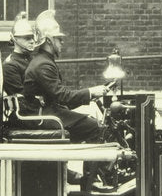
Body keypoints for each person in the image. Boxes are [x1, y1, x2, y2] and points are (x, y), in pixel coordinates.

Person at [22, 9, 112, 146]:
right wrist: (91, 92)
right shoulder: (43, 65)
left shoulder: (44, 61)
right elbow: (62, 96)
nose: (62, 42)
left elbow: (61, 98)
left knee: (92, 122)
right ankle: (95, 168)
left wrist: (90, 95)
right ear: (49, 41)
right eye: (59, 39)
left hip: (48, 111)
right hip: (43, 115)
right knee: (95, 128)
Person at [2, 11, 35, 97]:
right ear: (15, 39)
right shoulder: (10, 65)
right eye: (27, 38)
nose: (32, 41)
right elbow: (21, 97)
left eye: (32, 38)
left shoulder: (31, 58)